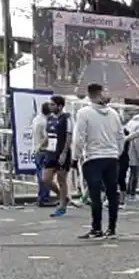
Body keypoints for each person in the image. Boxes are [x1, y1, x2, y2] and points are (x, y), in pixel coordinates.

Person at [71, 83, 124, 239]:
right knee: (112, 193)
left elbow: (79, 137)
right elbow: (120, 136)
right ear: (100, 94)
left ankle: (96, 228)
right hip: (111, 157)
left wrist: (75, 157)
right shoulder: (113, 113)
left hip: (93, 157)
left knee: (95, 194)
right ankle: (112, 228)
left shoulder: (84, 113)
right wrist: (116, 152)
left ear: (89, 95)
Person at [45, 95, 73, 216]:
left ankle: (62, 206)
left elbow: (69, 136)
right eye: (50, 104)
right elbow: (49, 135)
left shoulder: (66, 118)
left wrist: (64, 153)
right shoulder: (50, 118)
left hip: (62, 152)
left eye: (53, 104)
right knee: (46, 179)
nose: (50, 106)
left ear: (60, 106)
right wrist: (42, 146)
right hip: (50, 152)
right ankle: (63, 197)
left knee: (62, 180)